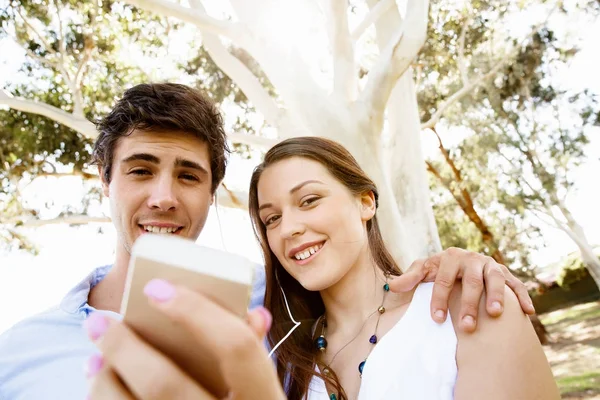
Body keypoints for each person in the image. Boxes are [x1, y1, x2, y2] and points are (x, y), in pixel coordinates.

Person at [0, 83, 534, 400]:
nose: (164, 197)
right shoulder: (18, 352)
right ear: (105, 180)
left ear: (211, 193)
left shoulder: (264, 309)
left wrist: (465, 264)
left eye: (188, 176)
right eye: (141, 170)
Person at [84, 137, 557, 399]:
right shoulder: (283, 359)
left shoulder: (466, 306)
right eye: (271, 219)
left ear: (365, 201)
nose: (289, 228)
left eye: (308, 200)